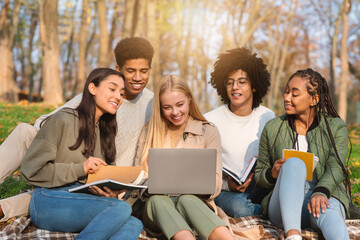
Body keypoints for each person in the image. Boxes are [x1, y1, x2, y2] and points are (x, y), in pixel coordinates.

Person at [0, 36, 154, 221]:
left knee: (63, 192)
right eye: (130, 71)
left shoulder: (152, 104)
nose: (138, 77)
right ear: (118, 70)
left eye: (143, 71)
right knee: (25, 131)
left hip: (105, 175)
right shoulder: (101, 93)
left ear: (150, 70)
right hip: (75, 157)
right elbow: (45, 122)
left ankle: (3, 208)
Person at [20, 68, 142, 239]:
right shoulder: (63, 119)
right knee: (122, 208)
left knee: (134, 223)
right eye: (112, 89)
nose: (118, 97)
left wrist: (111, 192)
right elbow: (31, 170)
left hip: (83, 201)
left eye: (121, 93)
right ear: (92, 88)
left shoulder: (106, 132)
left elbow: (106, 176)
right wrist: (81, 168)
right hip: (49, 199)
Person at [254, 68, 350, 240]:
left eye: (294, 94)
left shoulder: (335, 126)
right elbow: (258, 174)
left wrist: (321, 191)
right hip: (283, 206)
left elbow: (337, 166)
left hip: (322, 197)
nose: (286, 98)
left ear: (314, 99)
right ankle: (293, 235)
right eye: (286, 92)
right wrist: (272, 173)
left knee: (332, 216)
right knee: (295, 162)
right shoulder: (273, 127)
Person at [134, 75, 234, 240]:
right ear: (160, 107)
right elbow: (139, 177)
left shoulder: (208, 131)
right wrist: (154, 185)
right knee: (158, 201)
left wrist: (191, 185)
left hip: (194, 204)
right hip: (157, 209)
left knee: (187, 199)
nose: (175, 112)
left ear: (189, 99)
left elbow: (216, 184)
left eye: (180, 105)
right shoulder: (149, 132)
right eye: (167, 107)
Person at [204, 47, 275, 217]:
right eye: (229, 82)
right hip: (226, 190)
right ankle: (267, 213)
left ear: (254, 86)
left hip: (260, 186)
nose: (235, 87)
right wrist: (228, 185)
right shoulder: (210, 120)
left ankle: (270, 209)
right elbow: (203, 170)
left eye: (242, 82)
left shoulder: (267, 116)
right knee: (239, 208)